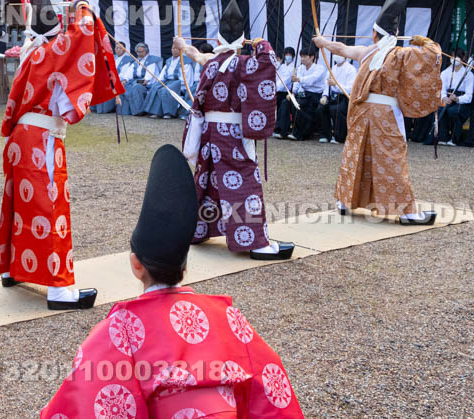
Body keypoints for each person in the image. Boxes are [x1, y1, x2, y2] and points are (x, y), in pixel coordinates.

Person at [40, 145, 304, 418]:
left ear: (135, 265)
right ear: (185, 265)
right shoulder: (229, 318)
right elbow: (271, 384)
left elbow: (85, 399)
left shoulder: (120, 330)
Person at [0, 0, 124, 309]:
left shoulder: (30, 52)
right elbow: (82, 32)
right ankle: (60, 290)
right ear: (56, 33)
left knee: (22, 206)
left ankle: (14, 269)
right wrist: (82, 6)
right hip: (42, 140)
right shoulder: (52, 53)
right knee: (51, 208)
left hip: (21, 139)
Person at [176, 0, 295, 260]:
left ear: (218, 39)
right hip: (232, 135)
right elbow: (269, 62)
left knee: (209, 180)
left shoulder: (213, 62)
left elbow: (198, 55)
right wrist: (260, 42)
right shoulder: (245, 63)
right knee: (244, 184)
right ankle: (256, 244)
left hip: (210, 134)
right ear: (243, 40)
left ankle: (196, 230)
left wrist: (184, 46)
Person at [312, 0, 442, 225]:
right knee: (392, 158)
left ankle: (343, 202)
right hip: (385, 115)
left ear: (374, 34)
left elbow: (340, 49)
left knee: (355, 153)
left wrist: (322, 42)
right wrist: (424, 41)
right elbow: (433, 55)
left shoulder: (367, 52)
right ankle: (408, 213)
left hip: (363, 111)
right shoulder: (401, 54)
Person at [141, 43, 200, 118]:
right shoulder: (169, 60)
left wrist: (182, 86)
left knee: (166, 90)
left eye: (177, 49)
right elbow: (163, 74)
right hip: (168, 81)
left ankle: (168, 113)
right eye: (173, 48)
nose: (175, 50)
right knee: (156, 88)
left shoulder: (185, 61)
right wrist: (160, 82)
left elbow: (187, 78)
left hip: (179, 82)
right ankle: (157, 112)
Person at [436, 49, 474, 146]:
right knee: (440, 108)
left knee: (453, 111)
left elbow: (469, 95)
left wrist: (457, 99)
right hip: (448, 99)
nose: (454, 59)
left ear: (463, 59)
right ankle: (443, 137)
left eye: (457, 57)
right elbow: (441, 89)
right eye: (452, 56)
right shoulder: (445, 72)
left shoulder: (469, 74)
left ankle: (455, 138)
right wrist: (444, 97)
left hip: (462, 102)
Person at [289, 46, 326, 141]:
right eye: (301, 57)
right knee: (293, 103)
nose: (302, 59)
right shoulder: (300, 68)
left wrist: (298, 79)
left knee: (303, 105)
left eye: (305, 56)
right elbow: (297, 83)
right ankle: (289, 131)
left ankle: (302, 133)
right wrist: (292, 92)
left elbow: (312, 79)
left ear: (312, 57)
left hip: (315, 94)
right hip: (304, 93)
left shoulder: (319, 68)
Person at [319, 54, 356, 144]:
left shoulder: (351, 69)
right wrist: (325, 96)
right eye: (335, 54)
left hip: (345, 97)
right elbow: (326, 84)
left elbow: (350, 88)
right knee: (321, 107)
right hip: (332, 96)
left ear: (345, 56)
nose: (337, 56)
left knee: (338, 110)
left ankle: (339, 136)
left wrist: (336, 84)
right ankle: (325, 135)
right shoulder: (332, 69)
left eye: (339, 54)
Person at [118, 43, 162, 115]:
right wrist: (125, 80)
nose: (139, 54)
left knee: (136, 87)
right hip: (135, 81)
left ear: (146, 51)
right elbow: (130, 72)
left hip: (147, 83)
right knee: (123, 86)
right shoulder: (136, 61)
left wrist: (144, 81)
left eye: (141, 52)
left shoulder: (151, 61)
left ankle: (139, 111)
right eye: (138, 52)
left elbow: (148, 77)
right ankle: (126, 111)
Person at [92, 42, 135, 114]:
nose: (117, 50)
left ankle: (106, 108)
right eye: (116, 48)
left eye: (120, 48)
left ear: (124, 50)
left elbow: (125, 73)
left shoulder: (128, 60)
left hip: (118, 80)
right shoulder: (112, 57)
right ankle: (96, 108)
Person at [273, 47, 296, 139]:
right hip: (278, 90)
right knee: (277, 109)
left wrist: (277, 88)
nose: (288, 56)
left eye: (289, 54)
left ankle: (281, 129)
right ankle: (276, 127)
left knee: (282, 108)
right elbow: (276, 77)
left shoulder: (293, 68)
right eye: (286, 54)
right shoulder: (282, 66)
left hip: (286, 92)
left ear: (293, 56)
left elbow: (285, 81)